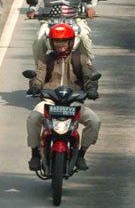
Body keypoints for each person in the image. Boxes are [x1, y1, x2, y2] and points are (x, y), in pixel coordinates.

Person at [26, 23, 100, 172]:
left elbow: (89, 77)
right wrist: (35, 86)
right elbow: (39, 76)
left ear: (71, 42)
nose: (61, 46)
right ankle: (34, 153)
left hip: (73, 102)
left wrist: (91, 89)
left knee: (94, 121)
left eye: (64, 43)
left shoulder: (81, 58)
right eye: (57, 43)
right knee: (33, 118)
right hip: (50, 100)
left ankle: (81, 154)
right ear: (52, 43)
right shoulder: (45, 59)